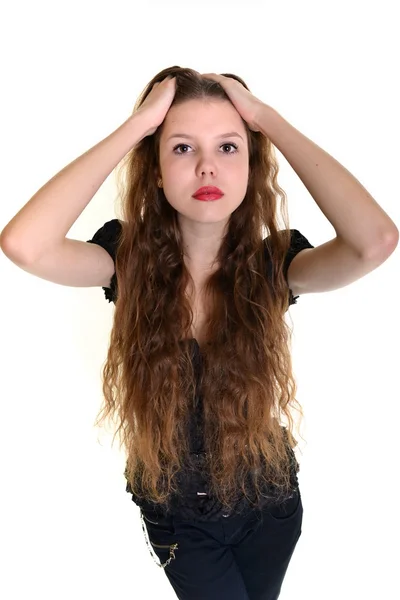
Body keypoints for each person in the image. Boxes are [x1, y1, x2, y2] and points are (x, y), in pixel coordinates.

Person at [0, 66, 397, 600]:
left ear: (252, 166)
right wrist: (136, 127)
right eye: (182, 149)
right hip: (180, 518)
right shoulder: (127, 259)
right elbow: (26, 244)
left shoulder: (274, 263)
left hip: (270, 504)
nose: (208, 166)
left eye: (230, 148)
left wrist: (267, 121)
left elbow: (374, 242)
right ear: (157, 168)